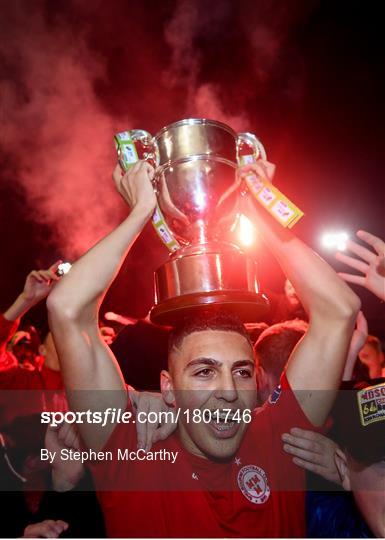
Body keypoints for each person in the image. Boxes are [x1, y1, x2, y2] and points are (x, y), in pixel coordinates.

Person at [47, 160, 360, 537]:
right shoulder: (131, 451)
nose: (228, 391)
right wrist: (141, 212)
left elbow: (339, 310)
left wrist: (254, 206)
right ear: (167, 387)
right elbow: (67, 309)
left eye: (241, 371)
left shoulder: (279, 437)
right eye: (204, 371)